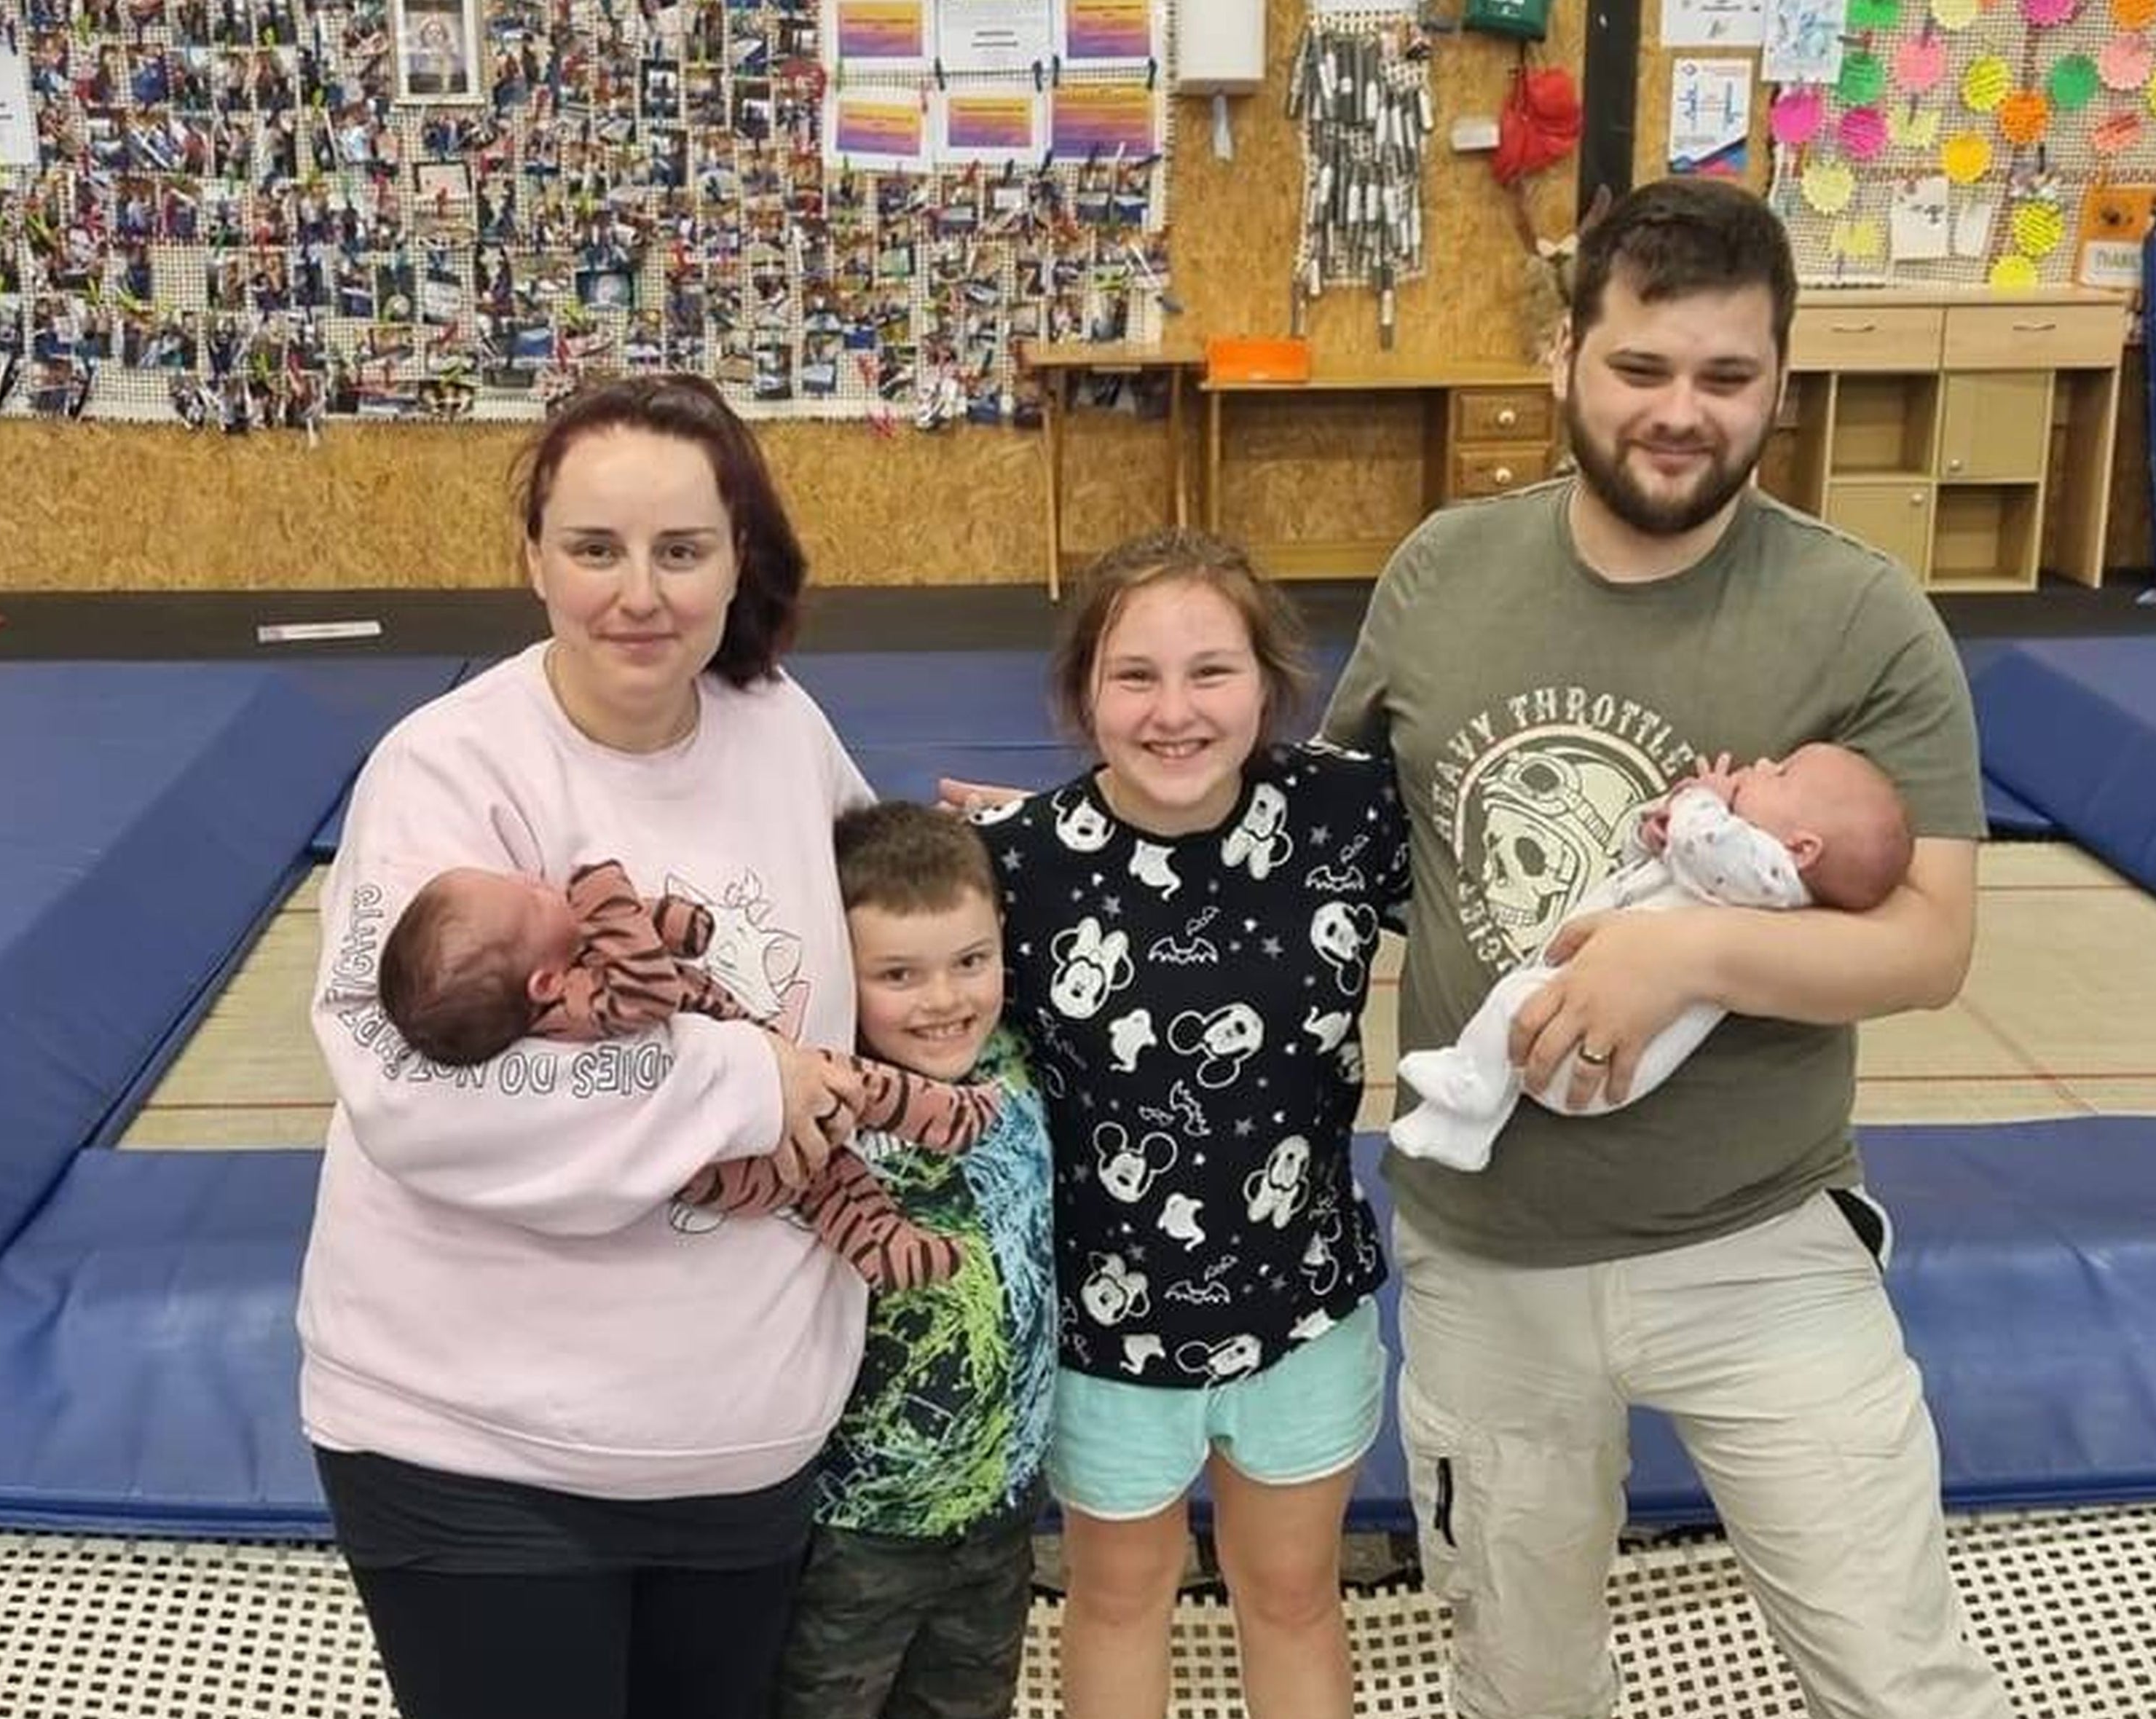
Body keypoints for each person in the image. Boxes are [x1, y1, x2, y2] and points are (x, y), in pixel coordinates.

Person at [1322, 176, 2014, 1719]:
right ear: (1565, 355)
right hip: (1487, 1251)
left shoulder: (1862, 617)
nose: (1679, 412)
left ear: (1780, 377)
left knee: (1897, 1675)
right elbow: (1323, 839)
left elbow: (1928, 943)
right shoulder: (1441, 575)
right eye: (1640, 368)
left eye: (1725, 376)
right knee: (1520, 1680)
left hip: (1758, 1244)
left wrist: (1689, 955)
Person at [299, 373, 874, 1719]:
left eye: (681, 551)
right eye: (595, 550)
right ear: (534, 562)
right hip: (480, 1452)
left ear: (740, 559)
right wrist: (745, 1080)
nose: (641, 594)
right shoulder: (446, 771)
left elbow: (894, 913)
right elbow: (416, 1093)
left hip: (746, 1445)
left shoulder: (782, 728)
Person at [964, 527, 1409, 1719]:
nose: (1175, 710)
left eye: (1211, 671)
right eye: (1135, 676)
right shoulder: (1012, 867)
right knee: (1116, 1598)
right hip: (1108, 1337)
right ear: (1081, 693)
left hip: (1304, 1311)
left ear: (1268, 683)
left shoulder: (1349, 814)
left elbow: (1521, 898)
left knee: (1293, 1594)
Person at [374, 856, 1002, 1289]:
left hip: (739, 1148)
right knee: (842, 1086)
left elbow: (661, 938)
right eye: (533, 899)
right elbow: (646, 986)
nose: (539, 883)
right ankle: (947, 1116)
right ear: (542, 980)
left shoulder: (562, 975)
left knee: (829, 1176)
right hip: (729, 1161)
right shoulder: (576, 1006)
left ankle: (884, 1246)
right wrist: (602, 893)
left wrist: (673, 922)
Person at [772, 801, 1055, 1719]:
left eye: (970, 962)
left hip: (999, 1512)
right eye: (899, 974)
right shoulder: (823, 1108)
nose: (944, 1000)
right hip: (853, 1527)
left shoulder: (1017, 1061)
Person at [1392, 741, 1913, 1170]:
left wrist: (1702, 796)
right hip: (1590, 1012)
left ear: (1803, 850)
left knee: (1513, 1004)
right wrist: (1653, 831)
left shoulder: (1772, 875)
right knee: (1515, 1011)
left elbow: (1702, 841)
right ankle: (1462, 1131)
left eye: (1782, 775)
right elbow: (1664, 857)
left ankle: (1470, 1082)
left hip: (1602, 1049)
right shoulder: (1742, 872)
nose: (1763, 764)